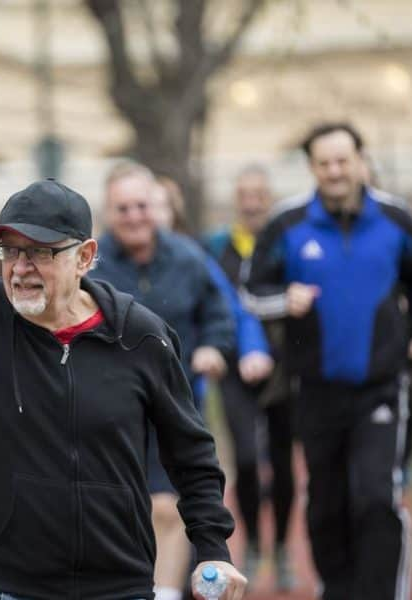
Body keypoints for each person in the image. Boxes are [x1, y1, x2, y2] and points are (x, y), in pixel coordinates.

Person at [0, 79, 247, 600]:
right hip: (10, 588)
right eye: (10, 251)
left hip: (120, 588)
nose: (21, 268)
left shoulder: (141, 336)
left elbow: (191, 455)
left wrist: (212, 549)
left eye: (40, 253)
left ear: (85, 256)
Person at [245, 123, 412, 600]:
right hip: (313, 388)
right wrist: (283, 298)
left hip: (382, 383)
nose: (334, 171)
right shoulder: (287, 223)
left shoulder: (396, 218)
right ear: (312, 167)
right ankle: (337, 589)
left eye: (343, 160)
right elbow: (252, 292)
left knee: (376, 496)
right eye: (324, 163)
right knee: (327, 504)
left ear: (359, 161)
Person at [91, 163, 238, 600]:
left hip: (175, 405)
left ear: (156, 207)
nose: (134, 215)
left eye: (141, 205)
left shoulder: (189, 259)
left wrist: (213, 347)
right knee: (120, 509)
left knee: (167, 506)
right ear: (108, 211)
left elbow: (219, 317)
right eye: (123, 208)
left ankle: (165, 592)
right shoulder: (91, 264)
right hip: (110, 409)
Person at [203, 165, 297, 589]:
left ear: (270, 197)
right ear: (236, 200)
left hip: (283, 370)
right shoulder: (217, 248)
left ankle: (280, 548)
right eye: (245, 194)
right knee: (242, 458)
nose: (252, 201)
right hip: (235, 369)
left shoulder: (286, 246)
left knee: (282, 462)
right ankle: (254, 543)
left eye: (259, 193)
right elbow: (216, 306)